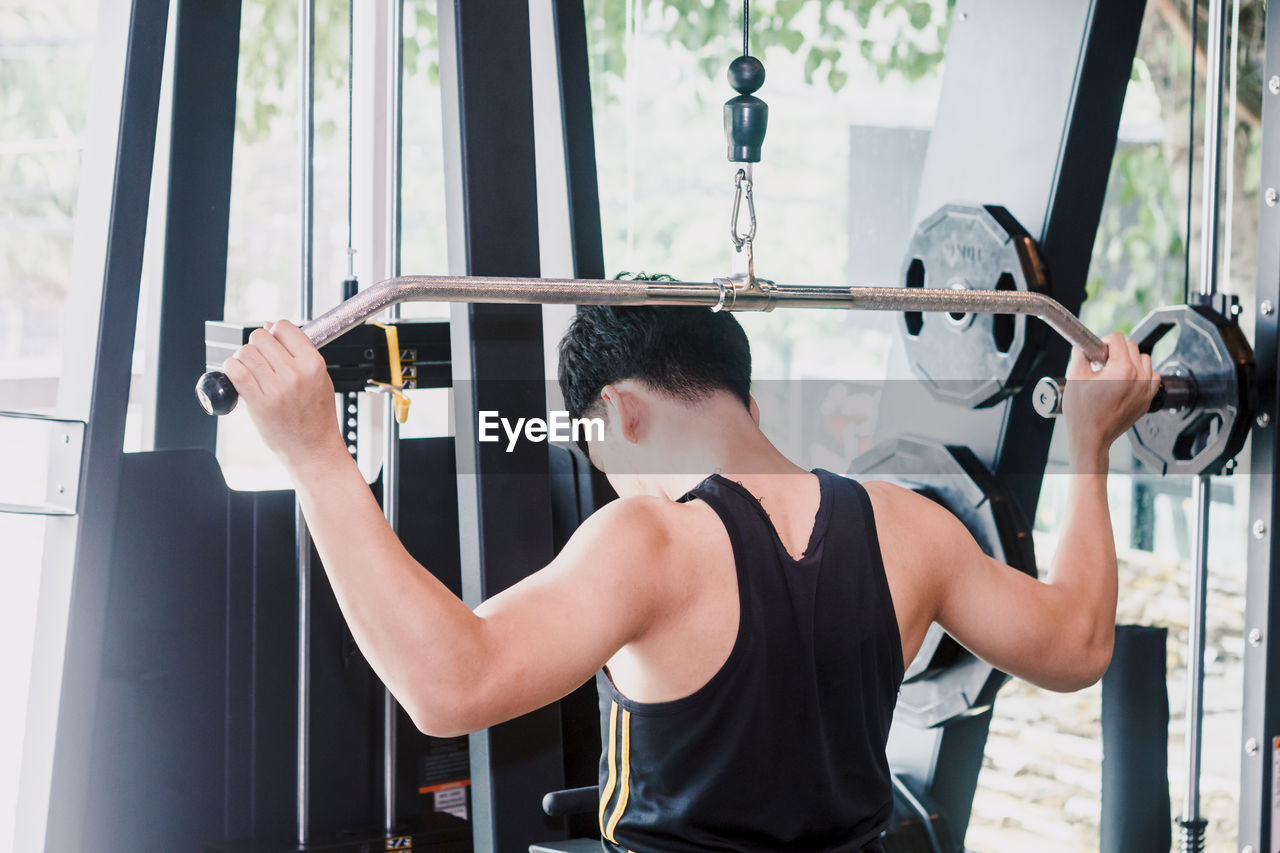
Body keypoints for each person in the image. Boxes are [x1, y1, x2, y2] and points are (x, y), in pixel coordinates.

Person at [221, 304, 1158, 852]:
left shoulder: (650, 542)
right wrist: (1088, 442)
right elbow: (1078, 645)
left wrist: (315, 457)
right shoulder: (910, 528)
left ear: (620, 412)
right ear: (747, 401)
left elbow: (447, 683)